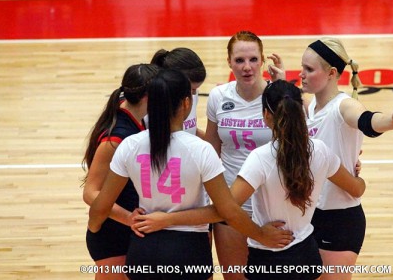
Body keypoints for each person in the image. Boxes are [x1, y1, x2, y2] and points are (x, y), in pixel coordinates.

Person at [129, 80, 365, 280]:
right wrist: (356, 172)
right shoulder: (321, 150)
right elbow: (357, 189)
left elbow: (224, 210)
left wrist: (166, 219)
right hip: (306, 255)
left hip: (268, 259)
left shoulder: (261, 158)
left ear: (265, 115)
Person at [88, 69, 292, 280]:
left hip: (143, 249)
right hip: (188, 252)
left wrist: (123, 222)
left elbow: (99, 208)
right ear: (186, 103)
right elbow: (227, 210)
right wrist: (261, 235)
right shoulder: (200, 150)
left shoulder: (129, 145)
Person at [300, 37, 393, 280]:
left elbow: (367, 120)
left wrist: (391, 121)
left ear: (332, 73)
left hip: (339, 218)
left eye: (309, 69)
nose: (302, 74)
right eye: (302, 68)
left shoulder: (344, 106)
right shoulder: (313, 108)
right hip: (312, 215)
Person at [204, 30, 284, 280]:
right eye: (239, 60)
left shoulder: (278, 96)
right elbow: (210, 149)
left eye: (253, 60)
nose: (247, 67)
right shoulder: (219, 97)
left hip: (273, 205)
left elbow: (303, 143)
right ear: (229, 62)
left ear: (262, 61)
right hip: (231, 203)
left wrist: (283, 86)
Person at [82, 63, 160, 280]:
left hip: (126, 228)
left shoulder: (129, 112)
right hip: (113, 233)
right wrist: (129, 218)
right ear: (147, 97)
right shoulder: (117, 138)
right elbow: (91, 192)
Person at [149, 47, 206, 138]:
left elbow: (190, 130)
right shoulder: (150, 108)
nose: (193, 94)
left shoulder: (191, 95)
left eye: (195, 90)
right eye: (191, 90)